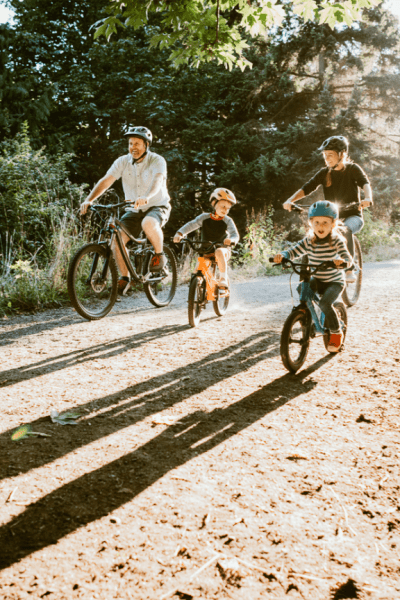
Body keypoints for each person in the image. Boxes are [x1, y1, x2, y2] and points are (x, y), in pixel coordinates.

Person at [80, 126, 171, 293]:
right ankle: (125, 277)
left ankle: (159, 255)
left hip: (156, 204)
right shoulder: (122, 161)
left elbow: (158, 180)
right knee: (116, 240)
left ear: (146, 145)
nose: (133, 147)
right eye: (130, 143)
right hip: (134, 208)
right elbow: (106, 180)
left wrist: (147, 197)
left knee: (149, 223)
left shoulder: (157, 160)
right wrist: (89, 200)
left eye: (137, 143)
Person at [282, 135, 372, 282]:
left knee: (345, 230)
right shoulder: (325, 173)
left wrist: (367, 198)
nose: (327, 158)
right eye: (324, 155)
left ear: (341, 154)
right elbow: (307, 187)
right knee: (313, 235)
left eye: (330, 155)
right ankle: (306, 276)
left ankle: (349, 268)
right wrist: (290, 200)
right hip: (332, 218)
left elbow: (365, 183)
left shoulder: (352, 169)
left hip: (353, 216)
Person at [273, 200, 352, 352]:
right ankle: (306, 317)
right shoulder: (309, 241)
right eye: (316, 222)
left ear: (333, 224)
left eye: (325, 222)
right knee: (302, 288)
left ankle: (336, 332)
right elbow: (293, 251)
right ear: (311, 223)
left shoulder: (337, 241)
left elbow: (348, 260)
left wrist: (342, 262)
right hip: (318, 278)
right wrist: (282, 255)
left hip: (334, 281)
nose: (320, 226)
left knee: (324, 304)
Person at [173, 188, 239, 288]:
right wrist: (180, 233)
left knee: (219, 252)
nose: (225, 210)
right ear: (214, 203)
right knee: (197, 270)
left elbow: (235, 234)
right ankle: (197, 292)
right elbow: (191, 225)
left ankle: (223, 278)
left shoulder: (227, 220)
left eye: (228, 208)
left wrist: (232, 240)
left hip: (223, 250)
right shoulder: (204, 218)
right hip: (206, 250)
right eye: (223, 206)